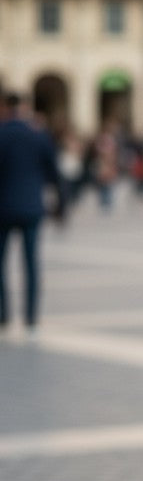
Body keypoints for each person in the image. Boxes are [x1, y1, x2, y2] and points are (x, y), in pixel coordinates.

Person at [0, 92, 66, 333]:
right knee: (31, 263)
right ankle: (31, 318)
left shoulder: (1, 134)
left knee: (0, 264)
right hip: (31, 207)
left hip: (2, 208)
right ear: (25, 107)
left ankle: (4, 316)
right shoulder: (38, 135)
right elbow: (54, 173)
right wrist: (61, 205)